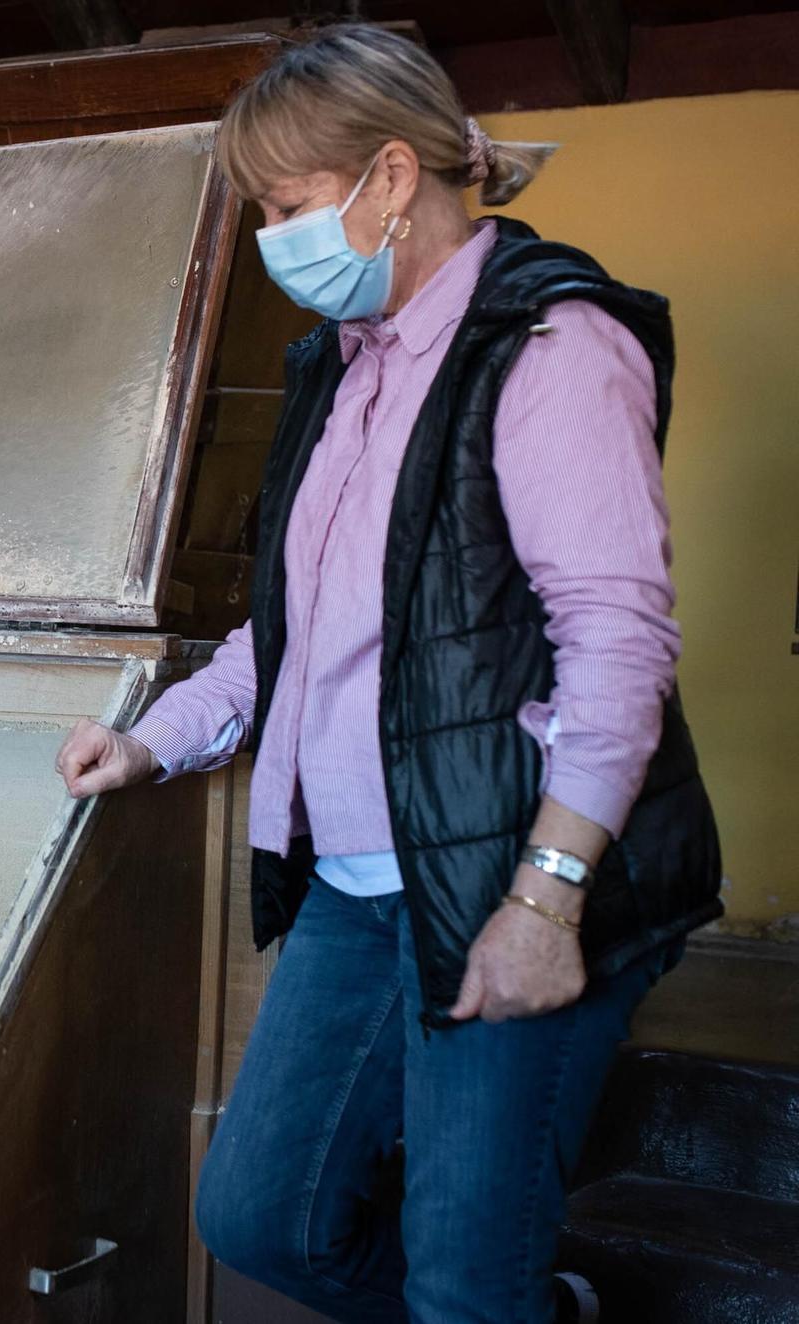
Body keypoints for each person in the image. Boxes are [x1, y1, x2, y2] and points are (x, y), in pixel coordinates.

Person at [55, 25, 720, 1324]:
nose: (267, 235)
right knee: (260, 1218)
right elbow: (293, 628)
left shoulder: (550, 348)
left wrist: (549, 899)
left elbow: (619, 643)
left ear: (395, 178)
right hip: (358, 887)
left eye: (285, 205)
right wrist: (159, 736)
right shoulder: (342, 371)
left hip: (504, 876)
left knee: (467, 1278)